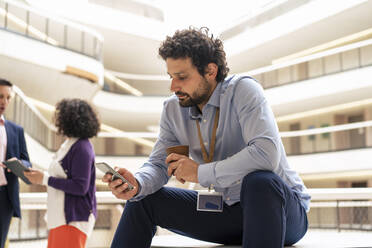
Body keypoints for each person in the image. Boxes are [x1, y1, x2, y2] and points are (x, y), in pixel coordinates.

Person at [103, 27, 311, 248]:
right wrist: (138, 182)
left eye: (182, 77)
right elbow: (160, 163)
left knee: (260, 182)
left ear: (211, 71)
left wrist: (200, 173)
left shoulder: (244, 91)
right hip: (227, 211)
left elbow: (265, 154)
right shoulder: (174, 109)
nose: (173, 86)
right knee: (142, 200)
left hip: (280, 212)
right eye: (171, 77)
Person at [24, 99, 100, 248]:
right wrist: (41, 177)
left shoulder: (82, 148)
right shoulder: (69, 144)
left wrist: (45, 179)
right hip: (60, 218)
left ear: (69, 120)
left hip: (73, 220)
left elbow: (80, 187)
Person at [0, 79, 32, 248]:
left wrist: (18, 163)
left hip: (5, 196)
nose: (4, 102)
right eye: (0, 96)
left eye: (8, 97)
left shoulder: (15, 130)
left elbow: (28, 162)